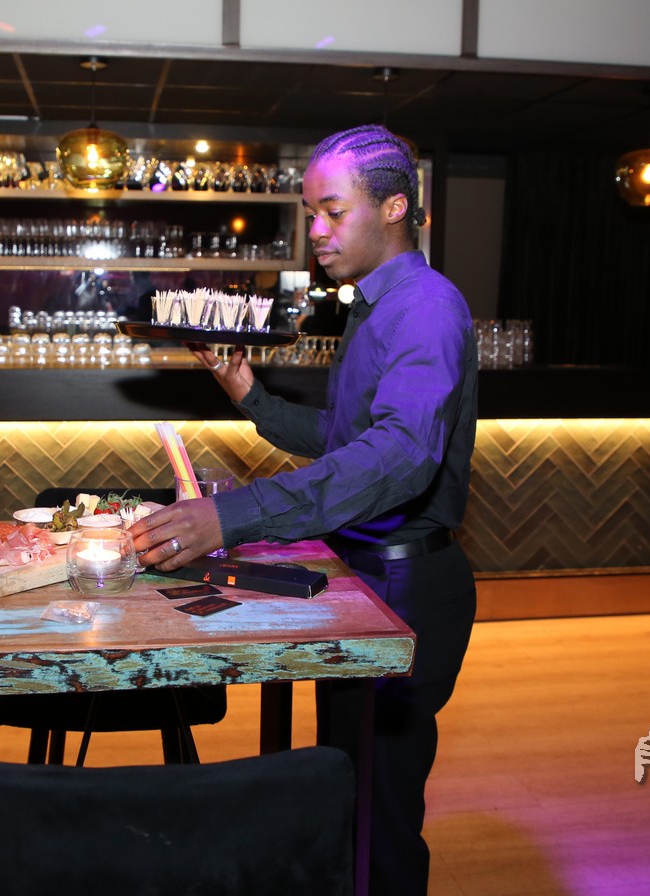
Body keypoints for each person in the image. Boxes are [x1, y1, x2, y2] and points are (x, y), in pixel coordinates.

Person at [129, 124, 479, 896]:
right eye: (310, 213)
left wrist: (233, 516)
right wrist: (250, 396)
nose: (315, 231)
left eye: (332, 211)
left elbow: (400, 458)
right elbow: (346, 439)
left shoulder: (425, 308)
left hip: (406, 583)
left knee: (381, 813)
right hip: (367, 572)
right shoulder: (374, 306)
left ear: (394, 207)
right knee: (346, 789)